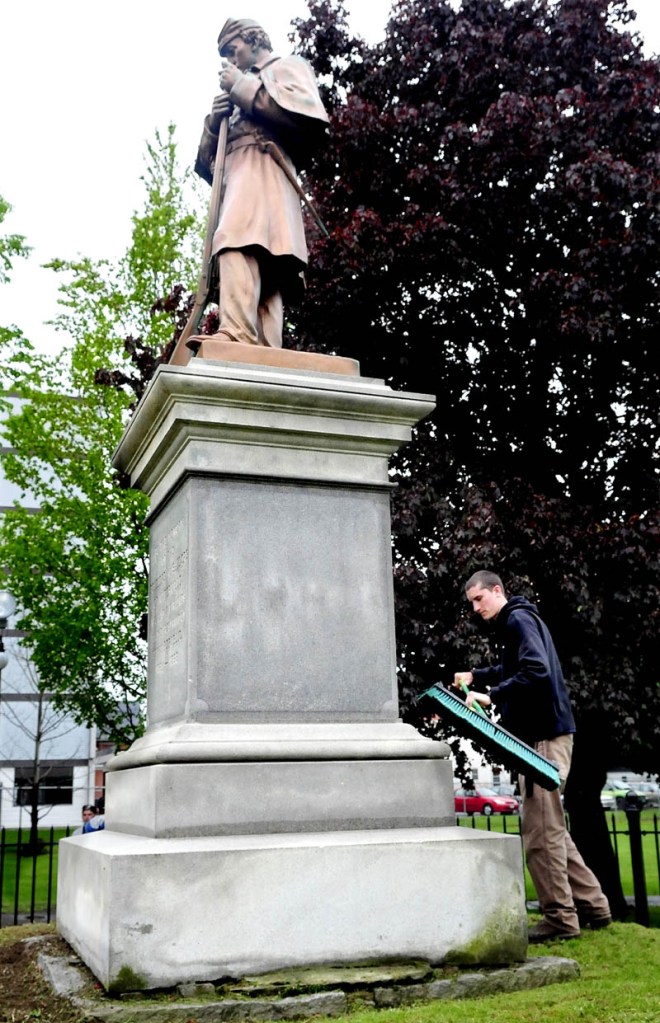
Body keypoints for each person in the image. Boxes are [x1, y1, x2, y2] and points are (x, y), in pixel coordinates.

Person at [454, 569, 611, 942]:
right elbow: (515, 668)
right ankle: (595, 907)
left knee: (540, 833)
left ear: (497, 590)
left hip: (542, 740)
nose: (475, 608)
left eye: (479, 599)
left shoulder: (518, 619)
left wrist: (492, 696)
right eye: (471, 603)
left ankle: (559, 918)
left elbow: (536, 671)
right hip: (546, 737)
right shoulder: (519, 622)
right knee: (552, 827)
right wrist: (478, 675)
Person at [193, 17, 330, 349]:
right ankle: (266, 346)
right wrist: (213, 123)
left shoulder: (287, 67)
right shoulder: (236, 88)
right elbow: (205, 164)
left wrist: (241, 87)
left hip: (266, 168)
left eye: (232, 49)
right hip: (236, 173)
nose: (229, 59)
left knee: (237, 240)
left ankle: (237, 333)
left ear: (252, 39)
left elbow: (305, 119)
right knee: (260, 254)